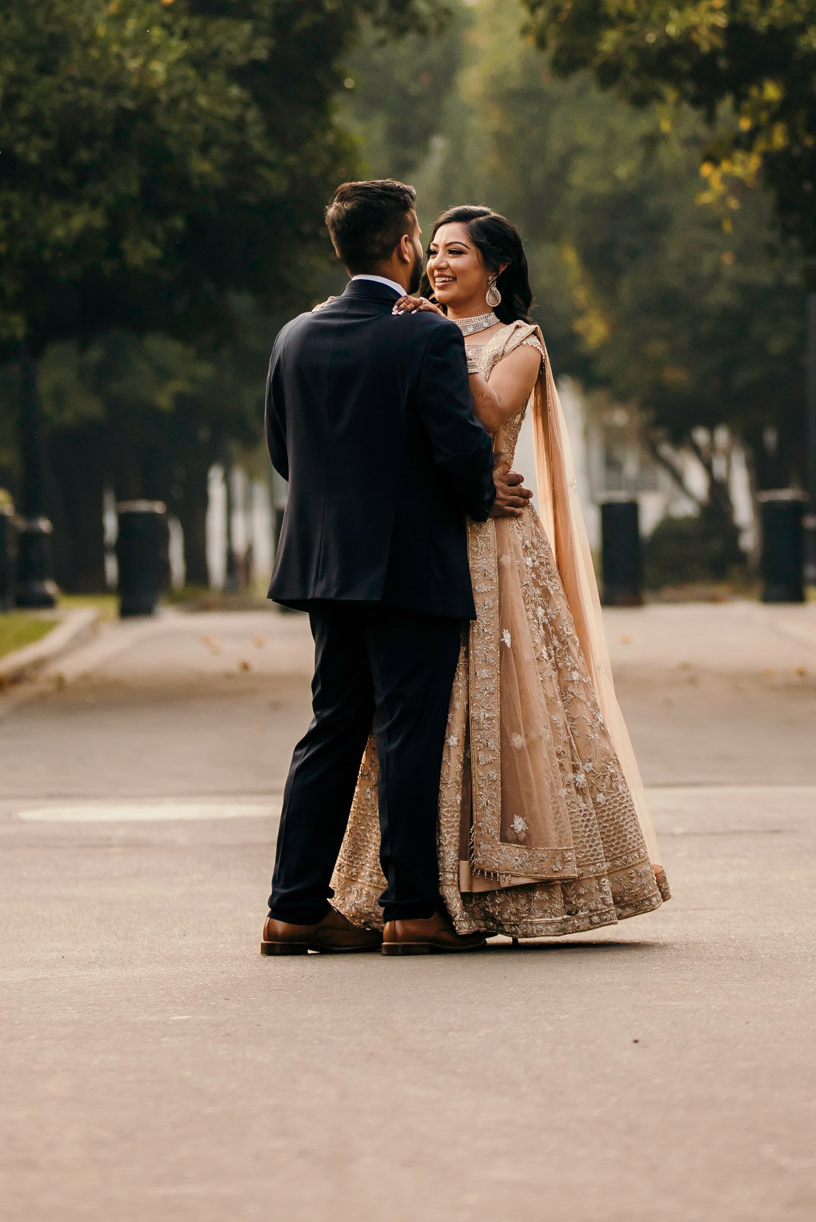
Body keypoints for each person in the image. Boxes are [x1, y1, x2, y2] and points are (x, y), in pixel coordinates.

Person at [331, 205, 669, 940]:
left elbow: (487, 420)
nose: (439, 264)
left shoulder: (519, 343)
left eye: (457, 253)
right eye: (436, 251)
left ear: (498, 267)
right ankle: (411, 890)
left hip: (496, 548)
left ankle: (505, 885)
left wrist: (435, 343)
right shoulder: (407, 327)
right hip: (421, 539)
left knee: (503, 709)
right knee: (421, 719)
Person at [261, 178, 533, 959]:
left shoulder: (294, 336)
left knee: (332, 728)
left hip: (321, 565)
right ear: (406, 245)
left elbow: (286, 456)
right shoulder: (425, 338)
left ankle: (292, 907)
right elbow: (455, 449)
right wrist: (485, 493)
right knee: (410, 733)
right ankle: (411, 908)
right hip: (412, 562)